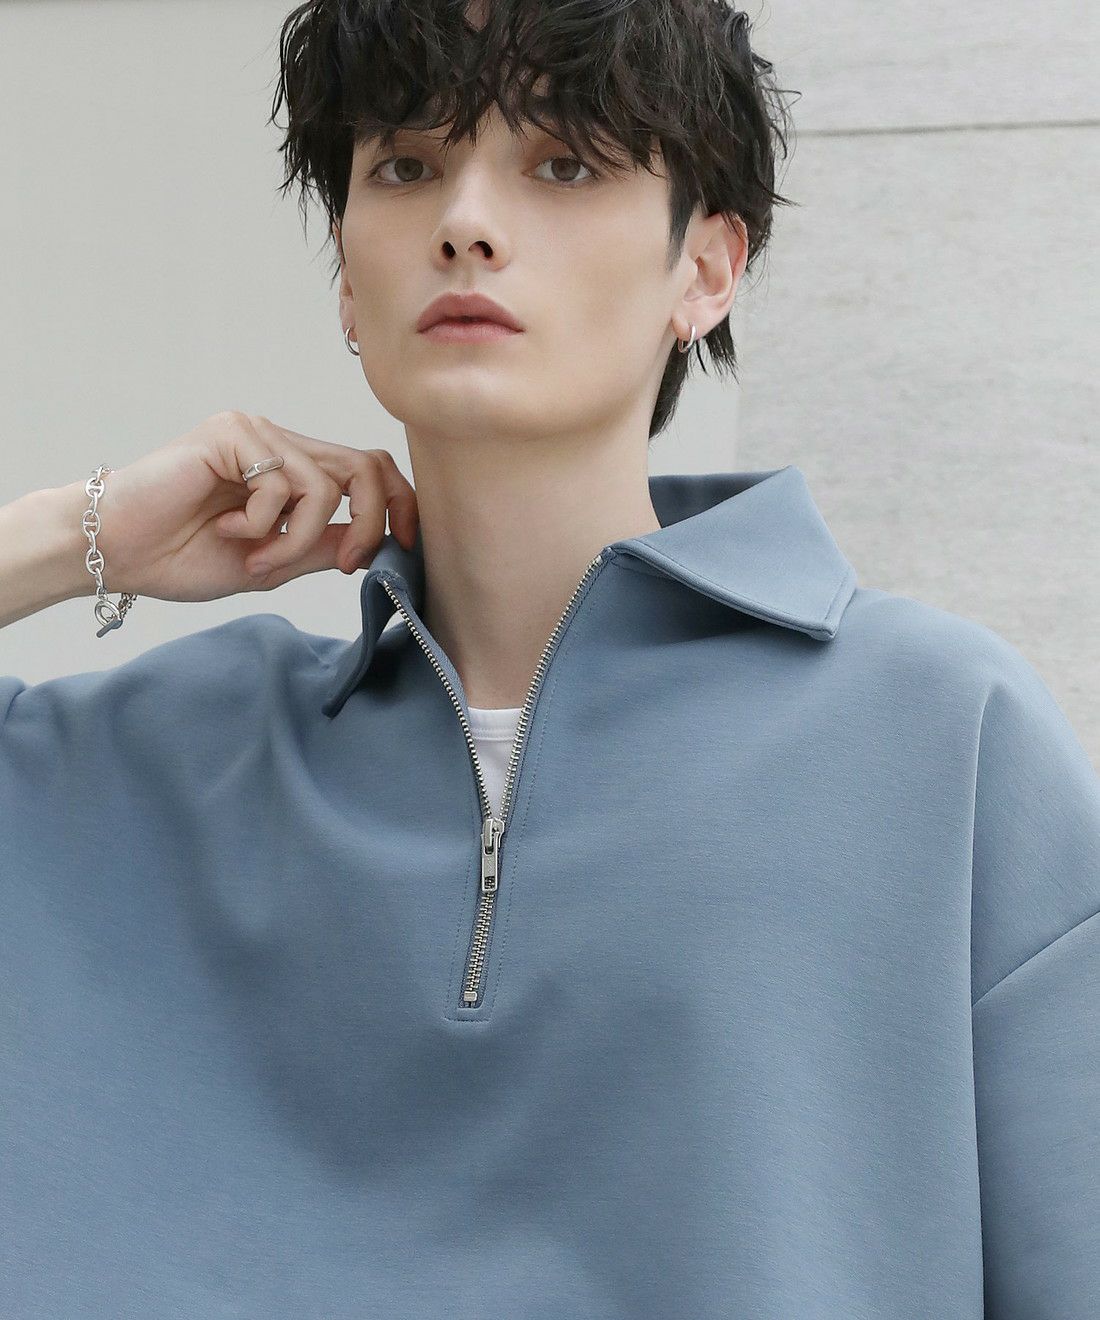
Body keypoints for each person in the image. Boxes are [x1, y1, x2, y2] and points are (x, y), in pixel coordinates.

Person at [1, 1, 1097, 1315]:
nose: (466, 221)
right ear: (347, 276)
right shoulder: (160, 763)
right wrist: (77, 535)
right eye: (407, 165)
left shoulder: (941, 739)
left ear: (707, 269)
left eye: (564, 163)